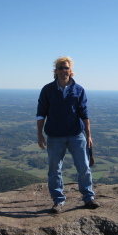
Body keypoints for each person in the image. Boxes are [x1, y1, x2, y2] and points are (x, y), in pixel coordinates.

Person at [37, 56, 100, 214]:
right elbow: (41, 114)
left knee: (84, 167)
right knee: (54, 169)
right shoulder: (47, 90)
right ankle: (58, 201)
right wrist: (39, 134)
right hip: (54, 136)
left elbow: (84, 114)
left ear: (71, 71)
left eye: (66, 68)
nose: (63, 70)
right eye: (60, 67)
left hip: (76, 135)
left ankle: (88, 198)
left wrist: (89, 135)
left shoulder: (78, 90)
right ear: (55, 71)